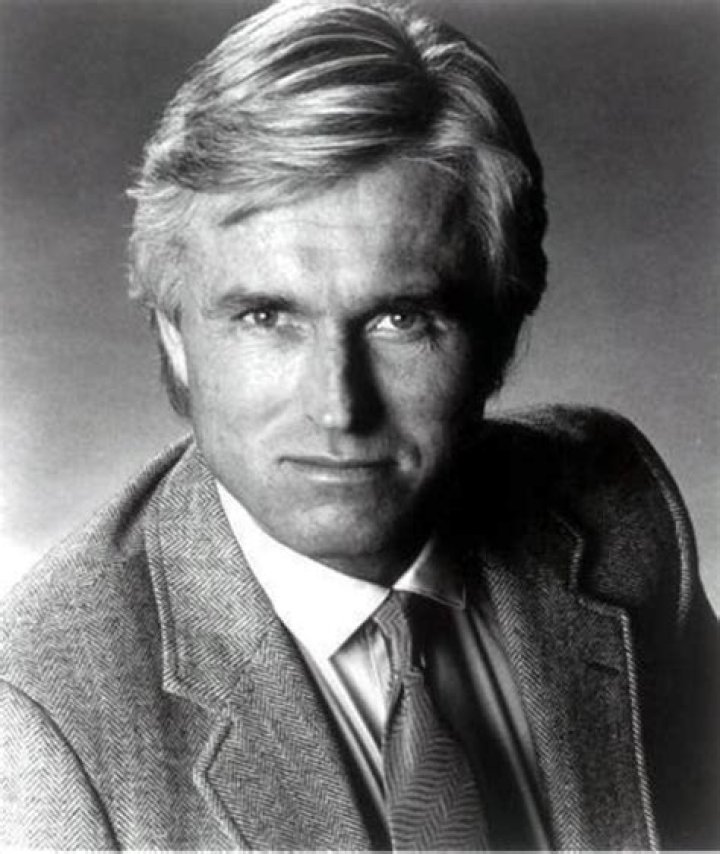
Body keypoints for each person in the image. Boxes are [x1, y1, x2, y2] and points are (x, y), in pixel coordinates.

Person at [1, 0, 717, 849]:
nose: (340, 408)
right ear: (175, 335)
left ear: (501, 329)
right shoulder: (39, 723)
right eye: (267, 317)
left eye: (400, 319)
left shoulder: (617, 508)